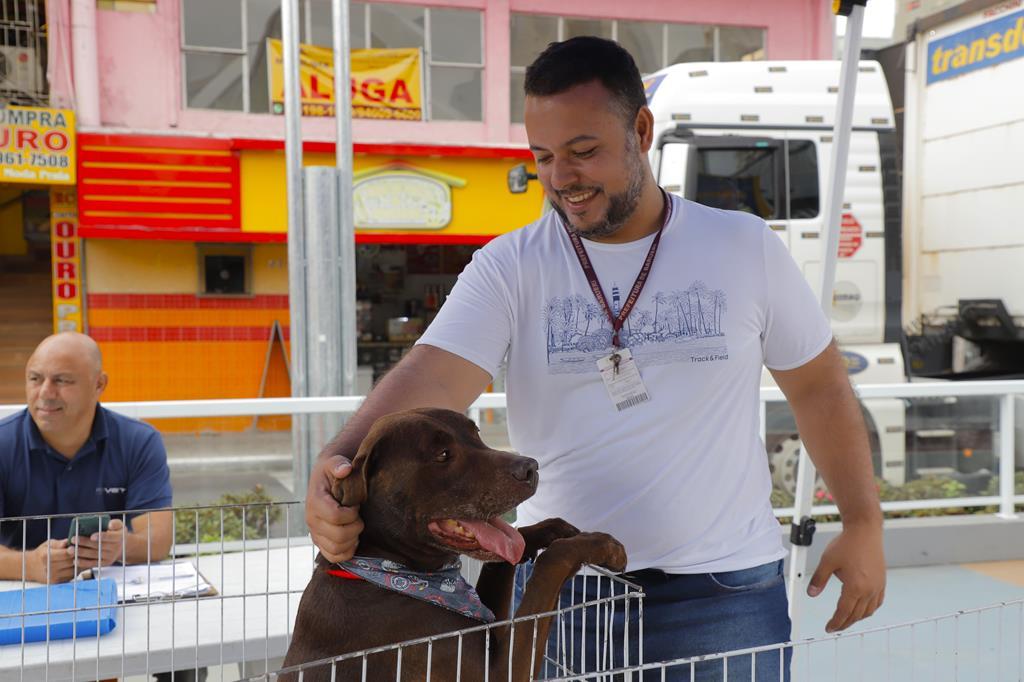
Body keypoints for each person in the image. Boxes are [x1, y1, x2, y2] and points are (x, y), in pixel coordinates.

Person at [305, 37, 886, 679]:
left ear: (641, 129)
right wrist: (335, 465)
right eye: (544, 157)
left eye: (584, 152)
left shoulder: (742, 246)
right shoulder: (510, 266)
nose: (562, 179)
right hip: (570, 596)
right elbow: (431, 374)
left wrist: (862, 522)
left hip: (726, 594)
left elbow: (820, 387)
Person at [0, 332, 174, 584]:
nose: (46, 393)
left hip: (112, 591)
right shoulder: (3, 443)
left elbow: (158, 541)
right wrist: (29, 565)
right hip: (21, 595)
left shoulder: (138, 442)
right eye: (35, 379)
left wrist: (121, 546)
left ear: (99, 385)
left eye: (63, 380)